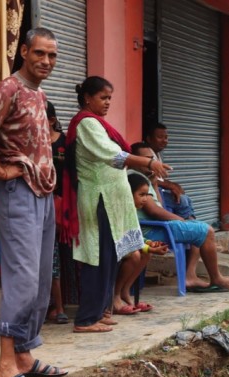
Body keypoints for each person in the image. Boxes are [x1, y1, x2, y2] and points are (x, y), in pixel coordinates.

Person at [0, 27, 68, 377]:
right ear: (24, 51)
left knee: (42, 278)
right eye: (39, 53)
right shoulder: (9, 88)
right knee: (23, 279)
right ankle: (5, 366)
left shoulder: (39, 93)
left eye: (52, 55)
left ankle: (25, 356)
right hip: (18, 192)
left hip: (42, 194)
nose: (46, 61)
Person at [60, 76, 170, 333]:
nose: (108, 102)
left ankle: (100, 311)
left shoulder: (98, 124)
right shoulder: (86, 123)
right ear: (88, 98)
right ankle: (86, 319)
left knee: (109, 258)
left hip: (110, 202)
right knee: (97, 258)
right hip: (98, 199)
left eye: (110, 98)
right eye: (103, 97)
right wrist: (148, 162)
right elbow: (112, 155)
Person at [128, 172, 229, 293]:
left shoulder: (146, 179)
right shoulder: (134, 177)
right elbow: (155, 211)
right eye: (149, 158)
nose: (153, 162)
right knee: (207, 231)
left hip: (156, 226)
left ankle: (190, 276)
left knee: (196, 227)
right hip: (152, 228)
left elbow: (159, 206)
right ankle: (217, 279)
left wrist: (155, 185)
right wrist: (180, 220)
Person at [143, 122, 196, 219]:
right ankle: (189, 226)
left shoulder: (156, 154)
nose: (164, 141)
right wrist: (171, 186)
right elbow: (148, 177)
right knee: (182, 200)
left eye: (166, 137)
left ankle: (190, 225)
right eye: (160, 137)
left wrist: (173, 186)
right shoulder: (145, 153)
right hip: (149, 194)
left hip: (158, 191)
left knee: (185, 198)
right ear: (149, 139)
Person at [46, 101, 68, 325]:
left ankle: (60, 306)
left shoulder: (64, 143)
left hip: (61, 205)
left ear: (52, 120)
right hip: (40, 203)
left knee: (54, 256)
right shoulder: (32, 143)